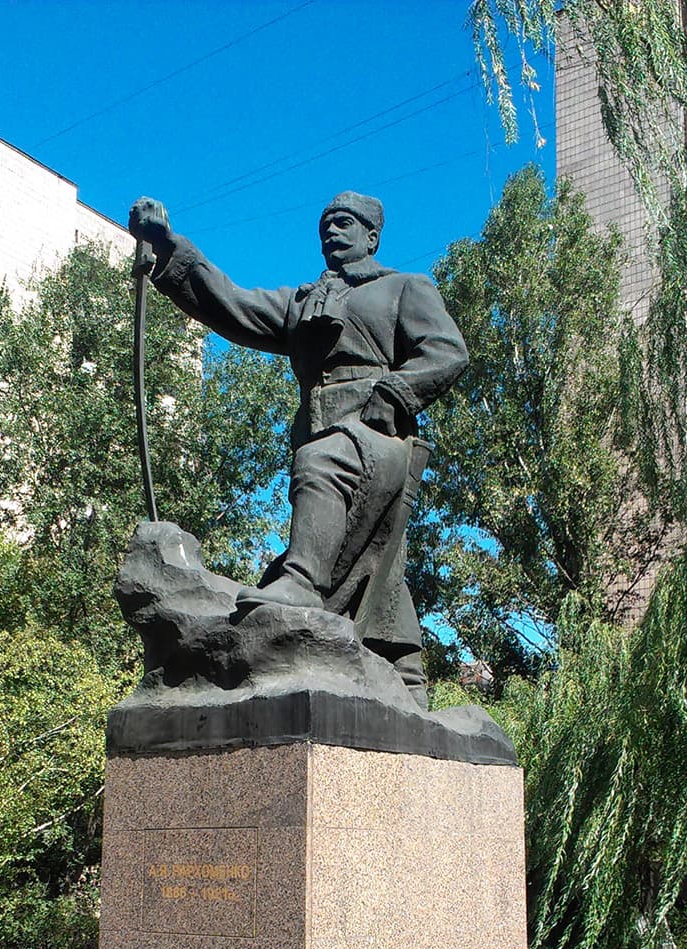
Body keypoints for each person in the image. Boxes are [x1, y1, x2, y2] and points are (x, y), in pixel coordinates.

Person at [128, 191, 468, 706]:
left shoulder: (404, 288)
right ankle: (405, 675)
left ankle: (302, 584)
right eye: (326, 224)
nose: (333, 231)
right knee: (370, 560)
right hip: (324, 430)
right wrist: (168, 249)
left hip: (380, 438)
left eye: (346, 223)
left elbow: (447, 351)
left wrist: (394, 394)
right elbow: (234, 306)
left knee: (321, 464)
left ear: (372, 235)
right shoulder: (304, 301)